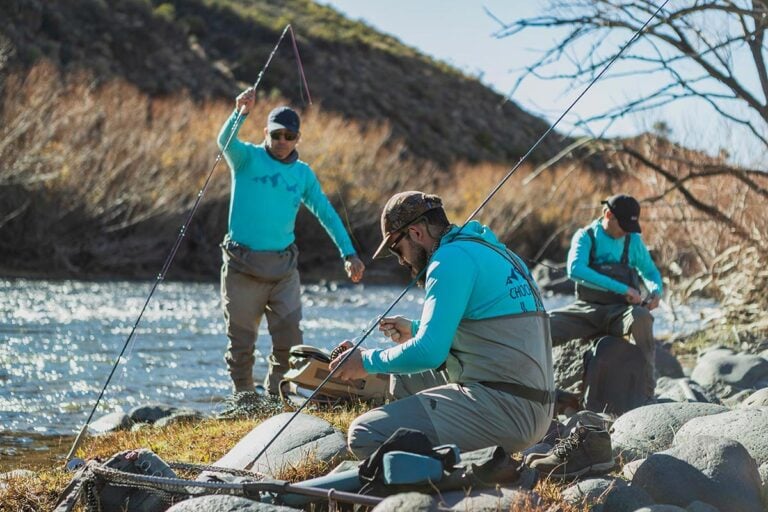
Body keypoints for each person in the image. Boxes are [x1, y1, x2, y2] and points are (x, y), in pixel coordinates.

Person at [329, 191, 554, 459]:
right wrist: (414, 329)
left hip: (509, 411)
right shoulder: (493, 252)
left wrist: (364, 361)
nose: (400, 260)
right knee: (403, 378)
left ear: (415, 233)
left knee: (365, 433)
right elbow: (489, 331)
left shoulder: (448, 259)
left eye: (396, 248)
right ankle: (426, 450)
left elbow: (429, 353)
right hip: (534, 406)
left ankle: (451, 478)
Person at [217, 87, 365, 395]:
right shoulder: (246, 159)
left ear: (298, 138)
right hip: (242, 266)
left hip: (283, 270)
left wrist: (348, 253)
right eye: (277, 135)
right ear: (266, 133)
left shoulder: (303, 174)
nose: (282, 142)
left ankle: (277, 396)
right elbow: (224, 142)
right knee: (241, 342)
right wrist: (239, 112)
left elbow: (326, 213)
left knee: (289, 341)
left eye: (289, 136)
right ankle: (244, 397)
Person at [549, 193, 663, 400]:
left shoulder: (633, 241)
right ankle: (538, 388)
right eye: (623, 226)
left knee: (642, 317)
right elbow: (575, 269)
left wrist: (656, 291)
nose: (625, 232)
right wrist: (624, 289)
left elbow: (651, 272)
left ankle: (648, 390)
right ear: (608, 214)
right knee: (543, 325)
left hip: (621, 313)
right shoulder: (586, 236)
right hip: (586, 310)